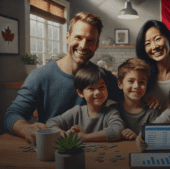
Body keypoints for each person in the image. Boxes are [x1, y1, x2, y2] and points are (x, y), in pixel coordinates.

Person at [3, 12, 124, 144]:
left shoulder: (103, 77)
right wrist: (25, 129)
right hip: (51, 148)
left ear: (97, 44)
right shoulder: (39, 76)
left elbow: (130, 98)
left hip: (94, 150)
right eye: (78, 37)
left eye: (90, 40)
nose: (83, 45)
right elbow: (12, 115)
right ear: (67, 37)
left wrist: (150, 98)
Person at [46, 64, 125, 142]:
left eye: (101, 87)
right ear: (80, 93)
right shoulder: (76, 112)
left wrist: (85, 137)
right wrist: (65, 135)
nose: (97, 92)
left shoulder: (111, 113)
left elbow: (117, 131)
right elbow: (51, 122)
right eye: (91, 88)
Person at [110, 58, 161, 140]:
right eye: (131, 81)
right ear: (120, 84)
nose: (136, 86)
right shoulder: (113, 110)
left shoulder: (152, 112)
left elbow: (156, 141)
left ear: (146, 85)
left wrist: (136, 138)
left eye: (141, 82)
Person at [136, 20, 170, 109]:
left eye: (158, 39)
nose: (154, 47)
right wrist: (145, 101)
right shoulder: (143, 76)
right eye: (148, 43)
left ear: (169, 39)